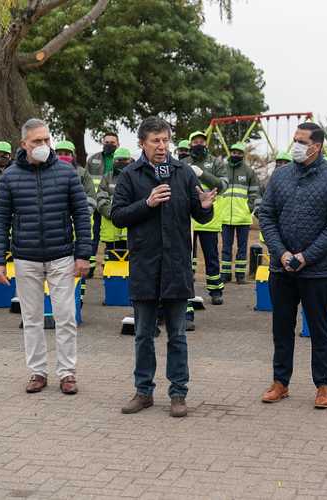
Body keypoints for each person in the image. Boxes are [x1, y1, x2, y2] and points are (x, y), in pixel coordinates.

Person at [111, 116, 216, 418]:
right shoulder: (130, 175)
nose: (161, 146)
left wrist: (206, 207)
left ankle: (178, 393)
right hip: (144, 264)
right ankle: (143, 392)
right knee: (144, 334)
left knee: (178, 335)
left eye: (165, 140)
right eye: (155, 141)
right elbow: (118, 215)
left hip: (176, 266)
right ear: (142, 143)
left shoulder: (183, 173)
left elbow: (199, 214)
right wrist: (148, 203)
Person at [0, 118, 92, 394]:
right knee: (32, 318)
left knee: (66, 316)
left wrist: (84, 254)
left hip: (62, 256)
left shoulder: (67, 173)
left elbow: (82, 214)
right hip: (26, 258)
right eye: (37, 141)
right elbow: (0, 220)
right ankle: (37, 372)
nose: (44, 145)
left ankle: (67, 373)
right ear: (24, 144)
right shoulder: (10, 176)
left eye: (47, 140)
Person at [258, 122, 327, 409]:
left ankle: (323, 385)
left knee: (319, 328)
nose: (295, 145)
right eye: (295, 140)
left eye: (301, 141)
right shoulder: (281, 175)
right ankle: (280, 382)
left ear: (317, 146)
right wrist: (282, 252)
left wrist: (307, 256)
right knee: (281, 327)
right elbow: (267, 216)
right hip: (281, 267)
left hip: (317, 270)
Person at [187, 130, 229, 306]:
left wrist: (201, 174)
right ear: (190, 145)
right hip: (187, 218)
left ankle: (216, 290)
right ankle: (187, 291)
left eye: (202, 142)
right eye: (195, 141)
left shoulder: (217, 163)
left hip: (209, 217)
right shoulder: (183, 163)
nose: (199, 144)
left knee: (211, 256)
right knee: (186, 257)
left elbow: (223, 186)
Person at [56, 140, 97, 305]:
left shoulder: (82, 173)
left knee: (78, 266)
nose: (63, 156)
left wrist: (78, 215)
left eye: (66, 153)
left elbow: (91, 198)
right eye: (59, 153)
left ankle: (77, 300)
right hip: (56, 231)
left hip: (78, 229)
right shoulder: (46, 172)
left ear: (73, 156)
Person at [221, 142, 258, 285]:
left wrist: (249, 207)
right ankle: (225, 274)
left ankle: (240, 275)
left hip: (242, 216)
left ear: (243, 154)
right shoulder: (223, 169)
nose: (236, 154)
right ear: (230, 152)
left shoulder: (249, 171)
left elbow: (254, 191)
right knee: (226, 247)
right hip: (225, 216)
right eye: (234, 152)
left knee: (242, 247)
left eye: (239, 152)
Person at [86, 132, 121, 277]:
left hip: (110, 205)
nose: (109, 145)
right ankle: (90, 269)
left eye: (112, 142)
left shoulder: (121, 159)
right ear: (102, 142)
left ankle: (109, 269)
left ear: (118, 144)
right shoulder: (93, 159)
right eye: (107, 142)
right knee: (93, 236)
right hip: (95, 203)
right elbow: (87, 181)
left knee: (110, 238)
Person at [96, 147, 132, 259]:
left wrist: (128, 214)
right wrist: (113, 213)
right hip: (111, 229)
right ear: (113, 161)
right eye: (118, 160)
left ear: (130, 161)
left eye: (125, 160)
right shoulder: (107, 177)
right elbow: (100, 198)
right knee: (111, 263)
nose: (121, 163)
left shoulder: (136, 177)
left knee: (130, 265)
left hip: (130, 231)